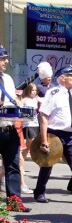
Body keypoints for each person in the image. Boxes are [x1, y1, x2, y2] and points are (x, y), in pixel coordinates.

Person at [33, 65, 72, 204]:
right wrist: (44, 139)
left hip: (71, 135)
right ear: (63, 78)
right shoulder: (53, 93)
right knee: (47, 163)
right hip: (55, 134)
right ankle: (39, 192)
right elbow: (44, 116)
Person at [0, 45, 31, 212]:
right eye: (3, 58)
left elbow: (13, 100)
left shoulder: (8, 79)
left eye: (5, 58)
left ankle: (14, 202)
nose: (6, 61)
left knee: (13, 165)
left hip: (9, 128)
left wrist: (19, 105)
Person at [20, 83, 39, 194]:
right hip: (28, 125)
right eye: (32, 90)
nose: (34, 92)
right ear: (28, 91)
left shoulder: (35, 100)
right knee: (30, 147)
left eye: (36, 90)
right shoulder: (25, 100)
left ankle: (23, 159)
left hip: (35, 124)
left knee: (27, 149)